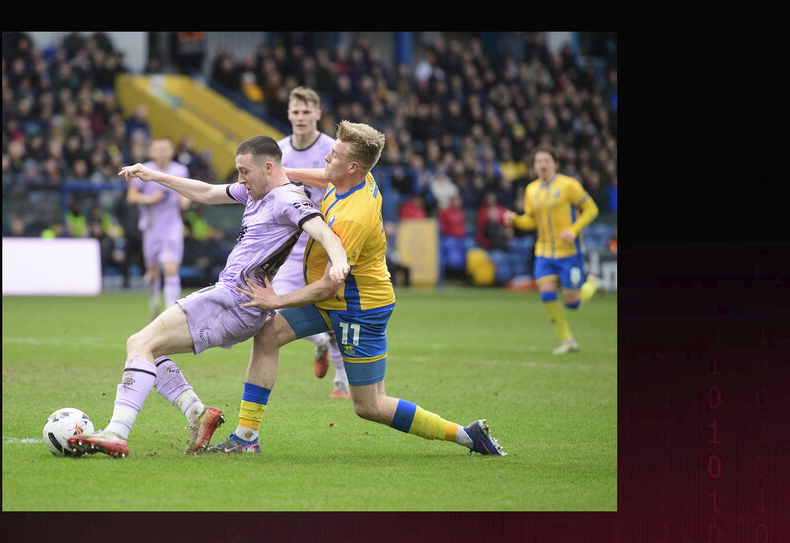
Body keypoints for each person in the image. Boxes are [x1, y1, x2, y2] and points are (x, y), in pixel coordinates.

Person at [208, 121, 506, 457]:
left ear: (352, 166)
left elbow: (327, 286)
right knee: (266, 335)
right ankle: (246, 437)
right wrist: (283, 171)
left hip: (358, 308)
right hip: (335, 300)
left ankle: (468, 436)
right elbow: (324, 179)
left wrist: (275, 299)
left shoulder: (354, 217)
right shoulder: (352, 178)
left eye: (333, 154)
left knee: (370, 406)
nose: (325, 158)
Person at [67, 135, 350, 458]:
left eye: (245, 171)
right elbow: (206, 191)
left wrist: (339, 262)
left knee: (140, 344)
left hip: (233, 301)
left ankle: (117, 433)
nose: (240, 180)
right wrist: (153, 174)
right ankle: (199, 414)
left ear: (269, 167)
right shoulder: (256, 192)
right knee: (147, 349)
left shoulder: (287, 198)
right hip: (230, 298)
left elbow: (323, 231)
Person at [273, 86, 349, 399]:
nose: (301, 117)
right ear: (289, 114)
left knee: (333, 314)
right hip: (289, 247)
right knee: (268, 312)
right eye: (296, 111)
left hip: (325, 244)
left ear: (318, 114)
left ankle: (342, 381)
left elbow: (340, 183)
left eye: (307, 112)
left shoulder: (332, 149)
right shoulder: (277, 151)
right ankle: (317, 341)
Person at [503, 145, 600, 355]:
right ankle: (567, 340)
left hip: (569, 252)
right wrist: (516, 221)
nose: (542, 165)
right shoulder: (531, 190)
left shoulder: (569, 185)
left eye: (546, 160)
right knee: (547, 295)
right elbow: (532, 221)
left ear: (555, 163)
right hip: (545, 251)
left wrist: (574, 229)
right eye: (538, 161)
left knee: (572, 303)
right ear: (534, 166)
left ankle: (591, 283)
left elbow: (592, 209)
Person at [127, 138, 192, 317]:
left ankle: (171, 311)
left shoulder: (180, 170)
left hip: (172, 226)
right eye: (158, 149)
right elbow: (132, 196)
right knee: (152, 272)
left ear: (172, 152)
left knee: (171, 268)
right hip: (151, 226)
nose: (162, 152)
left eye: (165, 149)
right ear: (151, 152)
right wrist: (150, 199)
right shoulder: (143, 169)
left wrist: (185, 200)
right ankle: (154, 300)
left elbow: (187, 191)